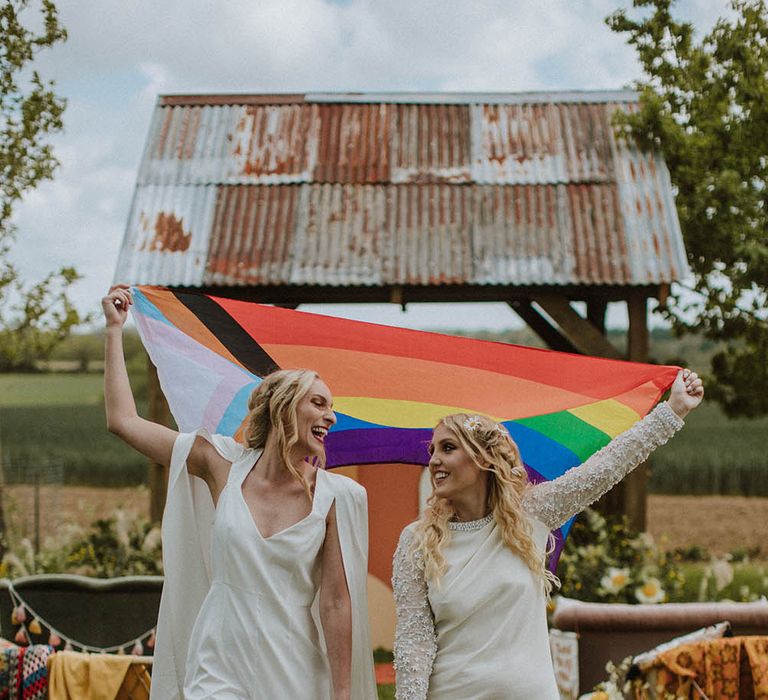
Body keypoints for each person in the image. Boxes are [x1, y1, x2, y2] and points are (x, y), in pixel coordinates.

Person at [102, 285, 376, 700]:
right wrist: (113, 330)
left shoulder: (336, 496)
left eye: (330, 407)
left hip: (294, 669)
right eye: (319, 403)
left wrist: (341, 696)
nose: (331, 417)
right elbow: (123, 421)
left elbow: (336, 604)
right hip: (219, 663)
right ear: (286, 405)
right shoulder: (219, 465)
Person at [392, 369, 704, 699]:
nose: (434, 460)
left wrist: (673, 411)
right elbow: (414, 644)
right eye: (433, 451)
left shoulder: (533, 514)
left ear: (483, 458)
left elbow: (605, 468)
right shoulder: (416, 541)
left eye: (447, 448)